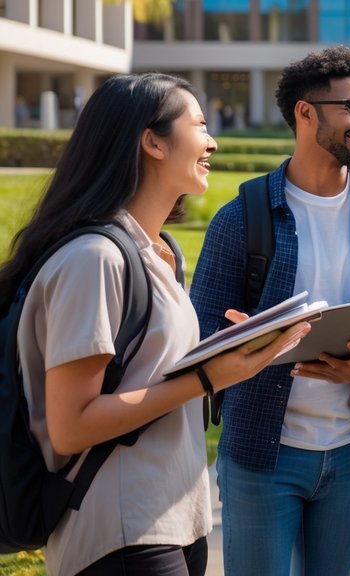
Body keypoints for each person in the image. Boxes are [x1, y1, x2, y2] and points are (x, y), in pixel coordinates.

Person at [3, 73, 310, 576]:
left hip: (176, 517)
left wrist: (229, 349)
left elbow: (141, 371)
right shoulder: (94, 259)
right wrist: (210, 377)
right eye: (200, 125)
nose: (212, 141)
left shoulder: (158, 253)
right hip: (120, 529)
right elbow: (71, 424)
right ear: (152, 141)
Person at [191, 46, 350, 576]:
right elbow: (200, 332)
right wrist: (251, 344)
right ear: (306, 113)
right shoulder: (242, 218)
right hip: (262, 456)